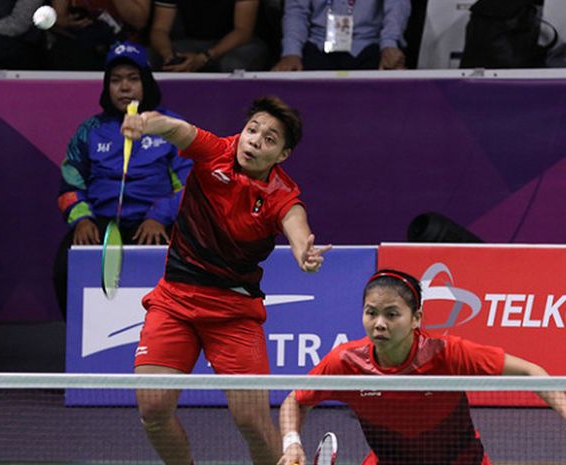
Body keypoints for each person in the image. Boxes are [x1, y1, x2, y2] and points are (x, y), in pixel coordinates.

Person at [120, 96, 332, 465]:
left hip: (234, 312)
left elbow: (297, 227)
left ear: (283, 154)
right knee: (153, 408)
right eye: (252, 130)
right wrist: (146, 124)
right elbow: (177, 129)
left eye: (269, 139)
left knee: (251, 419)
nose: (254, 141)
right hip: (175, 301)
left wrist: (304, 253)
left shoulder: (282, 195)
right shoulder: (216, 150)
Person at [278, 269, 566, 465]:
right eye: (371, 313)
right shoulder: (346, 362)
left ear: (416, 318)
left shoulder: (447, 353)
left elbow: (532, 372)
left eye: (392, 314)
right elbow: (296, 400)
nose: (380, 323)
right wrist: (292, 442)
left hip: (458, 460)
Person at [53, 41, 192, 316]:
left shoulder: (171, 126)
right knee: (63, 270)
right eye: (116, 80)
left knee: (184, 276)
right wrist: (82, 220)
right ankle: (83, 344)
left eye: (132, 79)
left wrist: (159, 217)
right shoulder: (90, 130)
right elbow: (70, 185)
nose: (124, 87)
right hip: (100, 225)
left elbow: (192, 184)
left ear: (147, 83)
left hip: (155, 225)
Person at [271, 0, 411, 71]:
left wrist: (389, 44)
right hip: (318, 43)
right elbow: (296, 12)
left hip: (369, 44)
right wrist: (291, 53)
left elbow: (397, 6)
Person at [150, 0, 269, 72]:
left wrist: (203, 58)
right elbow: (160, 29)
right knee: (151, 58)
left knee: (232, 64)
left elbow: (243, 31)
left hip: (238, 44)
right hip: (191, 43)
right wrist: (169, 56)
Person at [46, 0, 151, 70]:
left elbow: (139, 22)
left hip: (125, 46)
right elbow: (58, 17)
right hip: (81, 45)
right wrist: (68, 21)